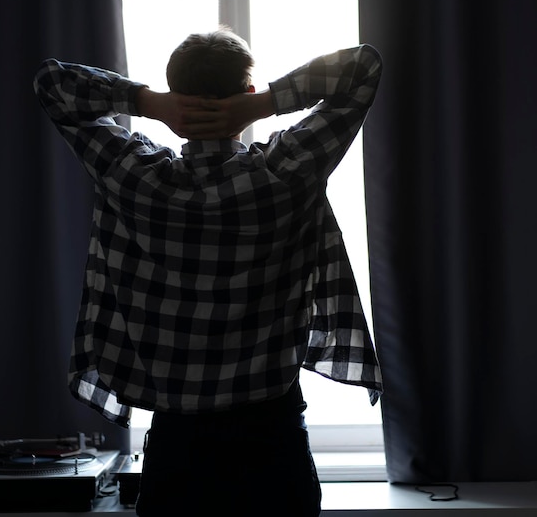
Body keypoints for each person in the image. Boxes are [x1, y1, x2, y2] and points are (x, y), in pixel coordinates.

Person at [34, 27, 383, 517]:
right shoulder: (284, 173)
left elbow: (53, 84)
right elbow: (363, 68)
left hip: (178, 445)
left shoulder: (136, 178)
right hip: (272, 438)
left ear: (175, 98)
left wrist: (149, 103)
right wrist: (265, 104)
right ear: (245, 94)